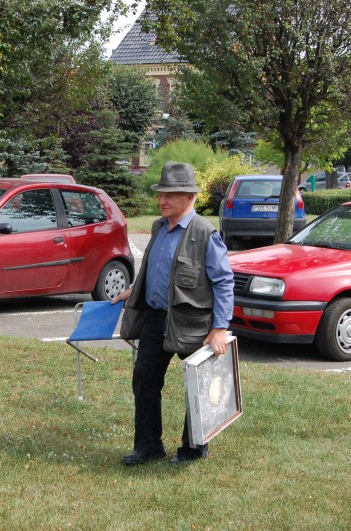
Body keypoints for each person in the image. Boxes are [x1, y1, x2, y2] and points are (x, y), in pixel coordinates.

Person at [112, 161, 235, 465]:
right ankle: (148, 446)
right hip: (156, 319)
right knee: (144, 379)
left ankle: (193, 449)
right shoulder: (158, 227)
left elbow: (223, 282)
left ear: (189, 198)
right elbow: (155, 267)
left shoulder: (205, 233)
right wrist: (134, 290)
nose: (162, 200)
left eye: (170, 195)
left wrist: (219, 327)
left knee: (197, 383)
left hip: (193, 323)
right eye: (161, 194)